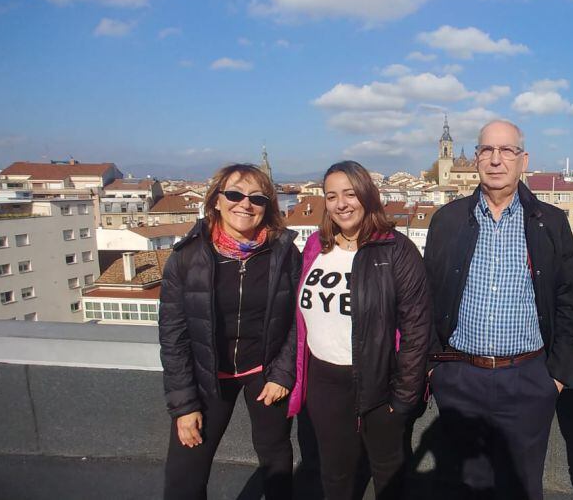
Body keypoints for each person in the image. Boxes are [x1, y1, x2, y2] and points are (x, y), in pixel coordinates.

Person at [423, 119, 573, 499]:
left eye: (506, 151)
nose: (496, 160)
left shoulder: (550, 222)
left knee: (523, 487)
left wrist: (555, 377)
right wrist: (434, 369)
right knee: (465, 488)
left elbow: (570, 299)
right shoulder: (447, 220)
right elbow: (426, 296)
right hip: (461, 377)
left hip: (528, 379)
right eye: (487, 150)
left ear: (522, 160)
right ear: (476, 158)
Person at [286, 160, 431, 500]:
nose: (341, 204)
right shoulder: (315, 248)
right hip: (325, 383)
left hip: (381, 382)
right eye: (332, 195)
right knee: (334, 475)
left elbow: (416, 328)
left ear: (367, 195)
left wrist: (404, 397)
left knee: (389, 474)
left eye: (350, 194)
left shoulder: (396, 250)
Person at [159, 163, 301, 500]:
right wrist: (184, 406)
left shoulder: (284, 253)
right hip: (207, 375)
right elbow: (173, 337)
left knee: (276, 458)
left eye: (257, 198)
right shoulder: (187, 257)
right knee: (185, 472)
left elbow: (299, 317)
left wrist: (282, 373)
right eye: (235, 194)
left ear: (269, 207)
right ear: (216, 201)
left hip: (264, 372)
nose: (245, 204)